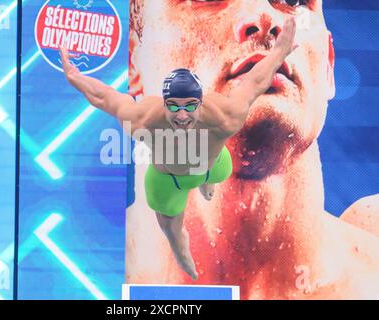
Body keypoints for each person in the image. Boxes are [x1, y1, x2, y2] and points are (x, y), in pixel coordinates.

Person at [126, 0, 379, 299]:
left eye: (292, 0)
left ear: (328, 65)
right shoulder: (78, 276)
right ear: (134, 65)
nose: (263, 17)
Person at [60, 17, 298, 280]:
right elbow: (104, 97)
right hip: (167, 180)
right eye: (174, 106)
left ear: (200, 102)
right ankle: (184, 257)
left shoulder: (224, 116)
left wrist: (279, 52)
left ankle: (207, 183)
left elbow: (255, 82)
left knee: (214, 171)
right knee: (173, 233)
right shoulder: (143, 118)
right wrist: (74, 76)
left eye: (189, 106)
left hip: (212, 166)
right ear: (164, 103)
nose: (182, 115)